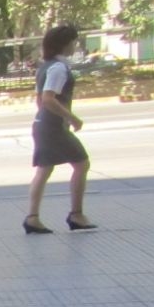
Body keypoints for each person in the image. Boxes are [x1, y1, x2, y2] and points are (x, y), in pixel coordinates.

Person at [24, 24, 95, 234]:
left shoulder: (45, 66)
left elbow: (40, 100)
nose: (75, 45)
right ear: (65, 44)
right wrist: (72, 118)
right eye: (73, 41)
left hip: (43, 124)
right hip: (54, 126)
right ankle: (76, 214)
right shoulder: (58, 68)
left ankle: (33, 217)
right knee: (82, 163)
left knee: (45, 169)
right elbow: (48, 99)